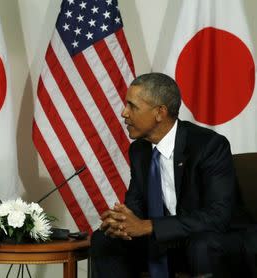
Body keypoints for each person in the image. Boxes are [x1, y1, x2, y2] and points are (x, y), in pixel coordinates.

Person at [90, 72, 253, 277]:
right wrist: (122, 222)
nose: (124, 113)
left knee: (201, 245)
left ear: (160, 113)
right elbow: (137, 206)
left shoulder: (209, 145)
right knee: (104, 241)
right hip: (168, 239)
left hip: (214, 239)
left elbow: (217, 216)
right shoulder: (139, 150)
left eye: (132, 106)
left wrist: (149, 226)